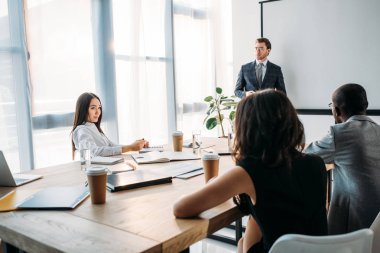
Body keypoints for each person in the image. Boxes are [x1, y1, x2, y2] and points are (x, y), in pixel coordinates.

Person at [173, 90, 327, 253]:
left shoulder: (249, 171)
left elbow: (181, 208)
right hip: (315, 250)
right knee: (247, 235)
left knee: (244, 240)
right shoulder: (316, 163)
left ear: (247, 128)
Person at [305, 83, 380, 235]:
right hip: (376, 224)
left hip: (353, 224)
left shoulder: (339, 133)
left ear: (336, 110)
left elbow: (307, 155)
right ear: (366, 105)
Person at [71, 92, 148, 158]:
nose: (98, 112)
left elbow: (112, 146)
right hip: (95, 173)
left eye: (99, 108)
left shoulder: (93, 128)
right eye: (93, 108)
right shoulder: (81, 130)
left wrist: (136, 145)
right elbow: (94, 152)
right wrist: (130, 147)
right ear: (83, 110)